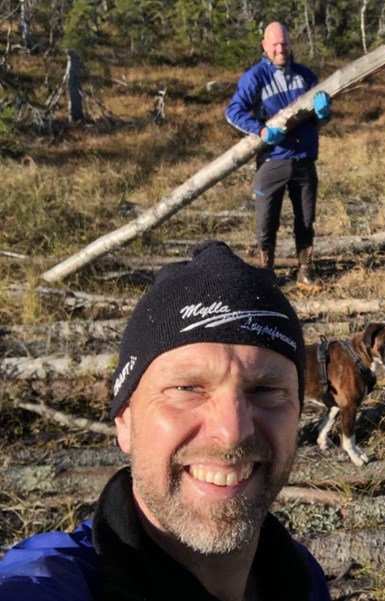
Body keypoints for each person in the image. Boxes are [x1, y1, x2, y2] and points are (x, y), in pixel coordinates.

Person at [0, 240, 332, 601]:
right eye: (187, 387)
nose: (232, 431)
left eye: (265, 390)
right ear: (124, 419)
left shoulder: (301, 575)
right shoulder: (57, 582)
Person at [225, 22, 331, 291]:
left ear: (290, 43)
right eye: (274, 44)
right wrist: (260, 131)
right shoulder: (256, 77)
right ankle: (266, 275)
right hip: (273, 160)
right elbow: (233, 111)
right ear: (264, 46)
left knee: (306, 220)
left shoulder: (306, 76)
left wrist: (324, 114)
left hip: (305, 159)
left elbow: (317, 121)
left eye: (283, 43)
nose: (280, 48)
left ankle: (305, 272)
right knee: (266, 222)